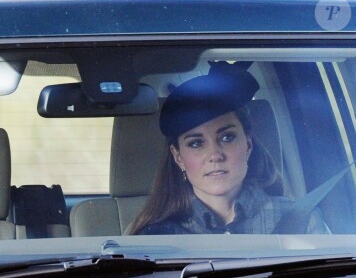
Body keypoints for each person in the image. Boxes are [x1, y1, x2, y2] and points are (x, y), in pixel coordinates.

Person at [127, 62, 329, 235]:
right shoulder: (155, 237)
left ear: (248, 144)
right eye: (196, 143)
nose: (215, 155)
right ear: (178, 157)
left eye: (227, 137)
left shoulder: (304, 221)